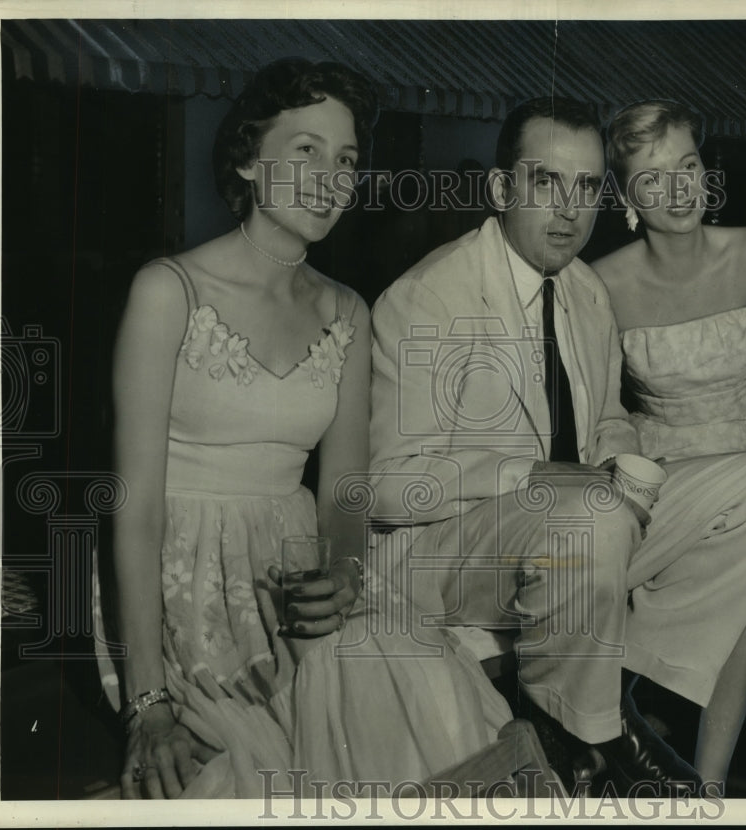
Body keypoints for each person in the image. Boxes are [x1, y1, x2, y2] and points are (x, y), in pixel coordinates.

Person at [368, 96, 746, 797]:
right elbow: (389, 486)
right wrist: (542, 474)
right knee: (595, 513)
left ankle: (633, 666)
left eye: (585, 187)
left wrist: (622, 463)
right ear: (500, 189)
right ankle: (601, 728)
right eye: (546, 182)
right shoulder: (427, 297)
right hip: (452, 558)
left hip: (578, 530)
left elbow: (607, 421)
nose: (570, 210)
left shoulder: (584, 291)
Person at [100, 58, 509, 800]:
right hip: (185, 586)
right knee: (263, 773)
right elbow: (135, 513)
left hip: (294, 581)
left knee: (423, 687)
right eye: (306, 150)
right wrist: (148, 702)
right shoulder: (169, 291)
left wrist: (346, 575)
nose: (330, 176)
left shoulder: (347, 311)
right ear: (251, 162)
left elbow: (345, 495)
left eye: (346, 159)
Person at [592, 99, 746, 797]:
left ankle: (708, 785)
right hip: (667, 489)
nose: (680, 189)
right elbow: (607, 418)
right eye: (654, 177)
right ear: (626, 197)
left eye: (689, 165)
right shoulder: (602, 285)